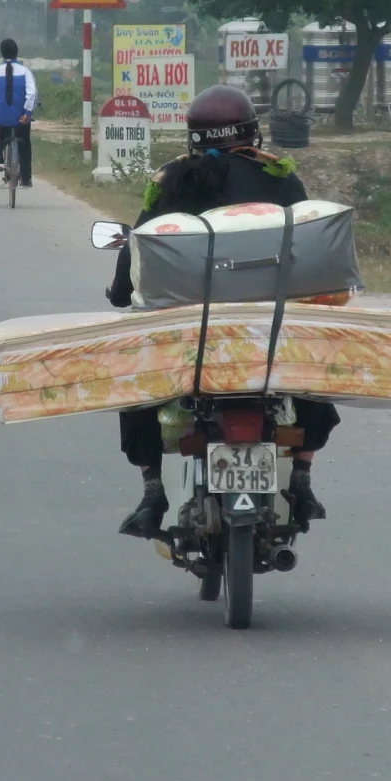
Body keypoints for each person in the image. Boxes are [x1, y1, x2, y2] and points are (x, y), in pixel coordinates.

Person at [105, 84, 338, 540]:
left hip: (195, 335)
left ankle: (153, 492)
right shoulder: (282, 179)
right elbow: (310, 248)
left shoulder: (171, 181)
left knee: (135, 384)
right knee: (313, 369)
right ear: (253, 132)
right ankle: (303, 480)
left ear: (194, 137)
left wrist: (119, 292)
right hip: (267, 332)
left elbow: (139, 247)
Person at [0, 37, 36, 186]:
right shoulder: (25, 72)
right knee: (25, 143)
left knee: (1, 135)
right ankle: (26, 178)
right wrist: (27, 113)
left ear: (1, 53)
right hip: (21, 118)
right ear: (17, 53)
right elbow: (31, 94)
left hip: (2, 117)